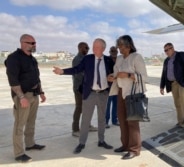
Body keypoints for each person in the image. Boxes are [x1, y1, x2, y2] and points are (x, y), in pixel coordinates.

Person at [53, 38, 114, 154]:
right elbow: (76, 69)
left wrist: (111, 79)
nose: (94, 49)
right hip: (90, 94)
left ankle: (101, 140)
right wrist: (62, 72)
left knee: (102, 119)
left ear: (103, 49)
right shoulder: (88, 59)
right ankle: (81, 143)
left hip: (103, 94)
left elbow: (113, 73)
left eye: (97, 47)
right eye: (93, 46)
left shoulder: (108, 60)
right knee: (86, 120)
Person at [5, 34, 46, 163]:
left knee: (31, 121)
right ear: (23, 43)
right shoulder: (14, 58)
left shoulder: (32, 59)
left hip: (34, 94)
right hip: (23, 96)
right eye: (32, 43)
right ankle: (19, 153)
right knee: (19, 124)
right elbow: (13, 80)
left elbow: (36, 77)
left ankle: (30, 144)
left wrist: (41, 92)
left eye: (35, 43)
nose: (34, 45)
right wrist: (21, 97)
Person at [109, 35, 147, 160]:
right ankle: (125, 145)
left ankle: (134, 149)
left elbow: (144, 77)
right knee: (122, 120)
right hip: (120, 92)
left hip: (133, 93)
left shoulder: (136, 57)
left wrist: (128, 74)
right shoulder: (119, 58)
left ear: (128, 46)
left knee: (132, 122)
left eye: (120, 45)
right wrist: (112, 77)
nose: (118, 48)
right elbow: (116, 73)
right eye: (118, 45)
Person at [160, 43, 184, 128]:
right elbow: (164, 74)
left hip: (182, 82)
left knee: (183, 95)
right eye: (165, 50)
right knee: (177, 103)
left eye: (168, 49)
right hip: (173, 84)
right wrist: (162, 86)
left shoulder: (181, 55)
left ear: (172, 48)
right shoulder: (166, 61)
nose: (167, 52)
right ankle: (180, 121)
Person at [72, 42, 97, 137]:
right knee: (79, 108)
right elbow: (78, 74)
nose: (87, 50)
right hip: (79, 88)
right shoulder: (77, 60)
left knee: (87, 108)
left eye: (88, 48)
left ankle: (88, 125)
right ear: (80, 48)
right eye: (86, 48)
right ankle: (75, 129)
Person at [105, 46, 119, 128]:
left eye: (115, 51)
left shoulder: (120, 59)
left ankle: (114, 120)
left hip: (117, 85)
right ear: (110, 52)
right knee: (107, 105)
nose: (114, 52)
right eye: (112, 51)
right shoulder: (106, 59)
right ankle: (106, 121)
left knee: (116, 105)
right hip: (108, 86)